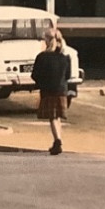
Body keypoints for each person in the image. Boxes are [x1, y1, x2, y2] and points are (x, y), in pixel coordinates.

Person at [31, 26, 72, 156]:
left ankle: (57, 141)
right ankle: (57, 140)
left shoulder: (42, 57)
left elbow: (35, 75)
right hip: (61, 90)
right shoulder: (65, 57)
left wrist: (41, 83)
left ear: (47, 41)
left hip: (48, 91)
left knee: (52, 117)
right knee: (57, 117)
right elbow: (68, 75)